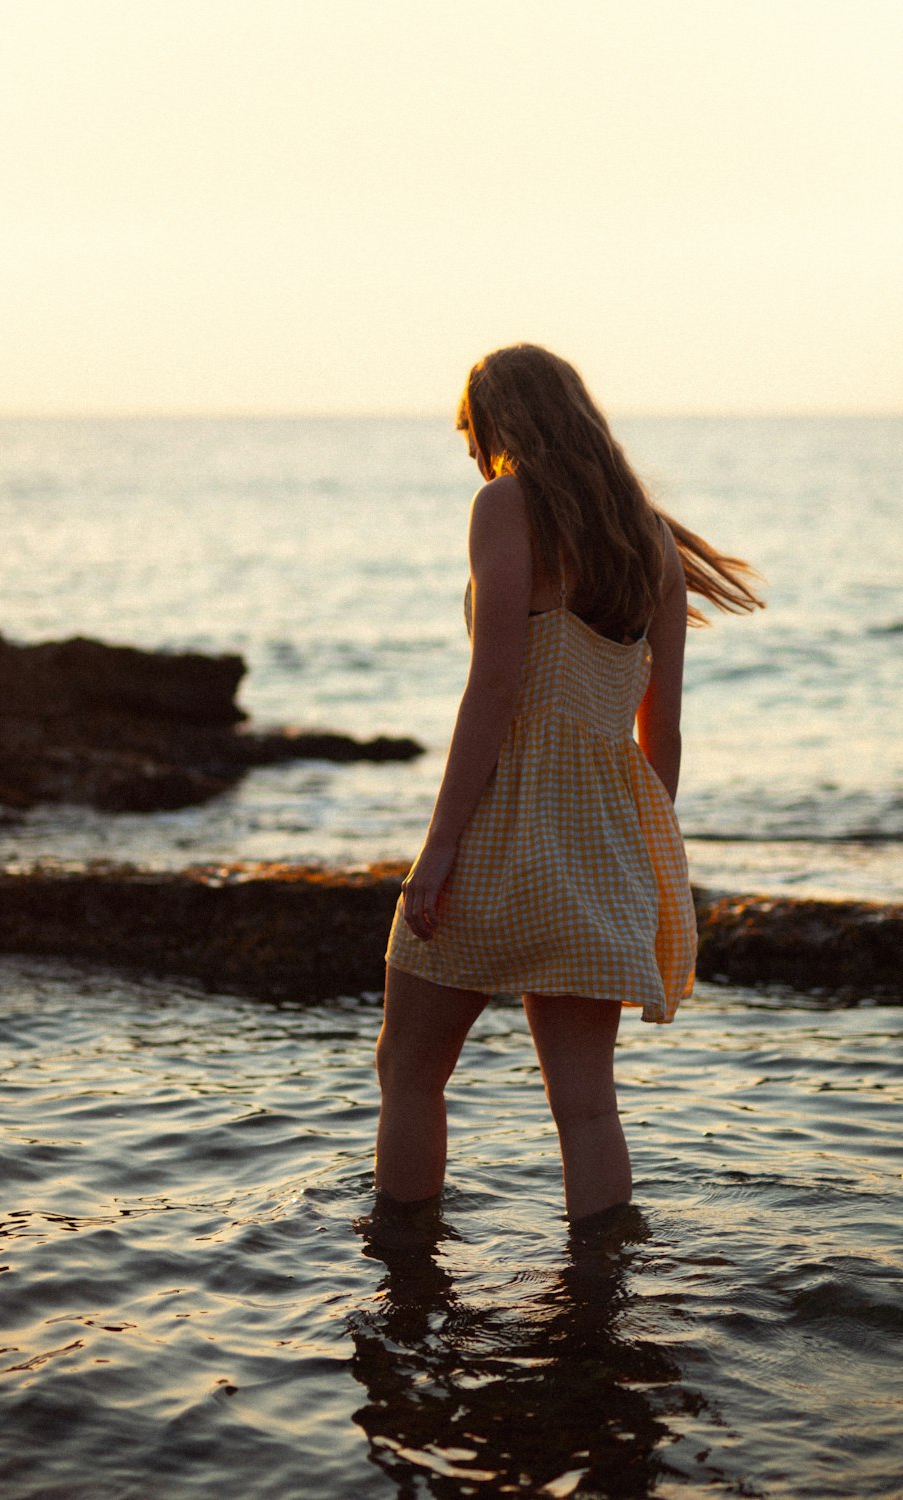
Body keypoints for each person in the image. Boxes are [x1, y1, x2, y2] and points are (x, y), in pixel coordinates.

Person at [374, 343, 763, 1226]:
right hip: (605, 833)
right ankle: (599, 1302)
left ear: (501, 423)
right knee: (587, 1107)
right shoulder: (650, 539)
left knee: (408, 1070)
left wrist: (437, 852)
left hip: (505, 823)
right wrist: (639, 854)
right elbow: (659, 735)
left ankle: (405, 1271)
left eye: (472, 432)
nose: (473, 454)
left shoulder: (506, 505)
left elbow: (497, 688)